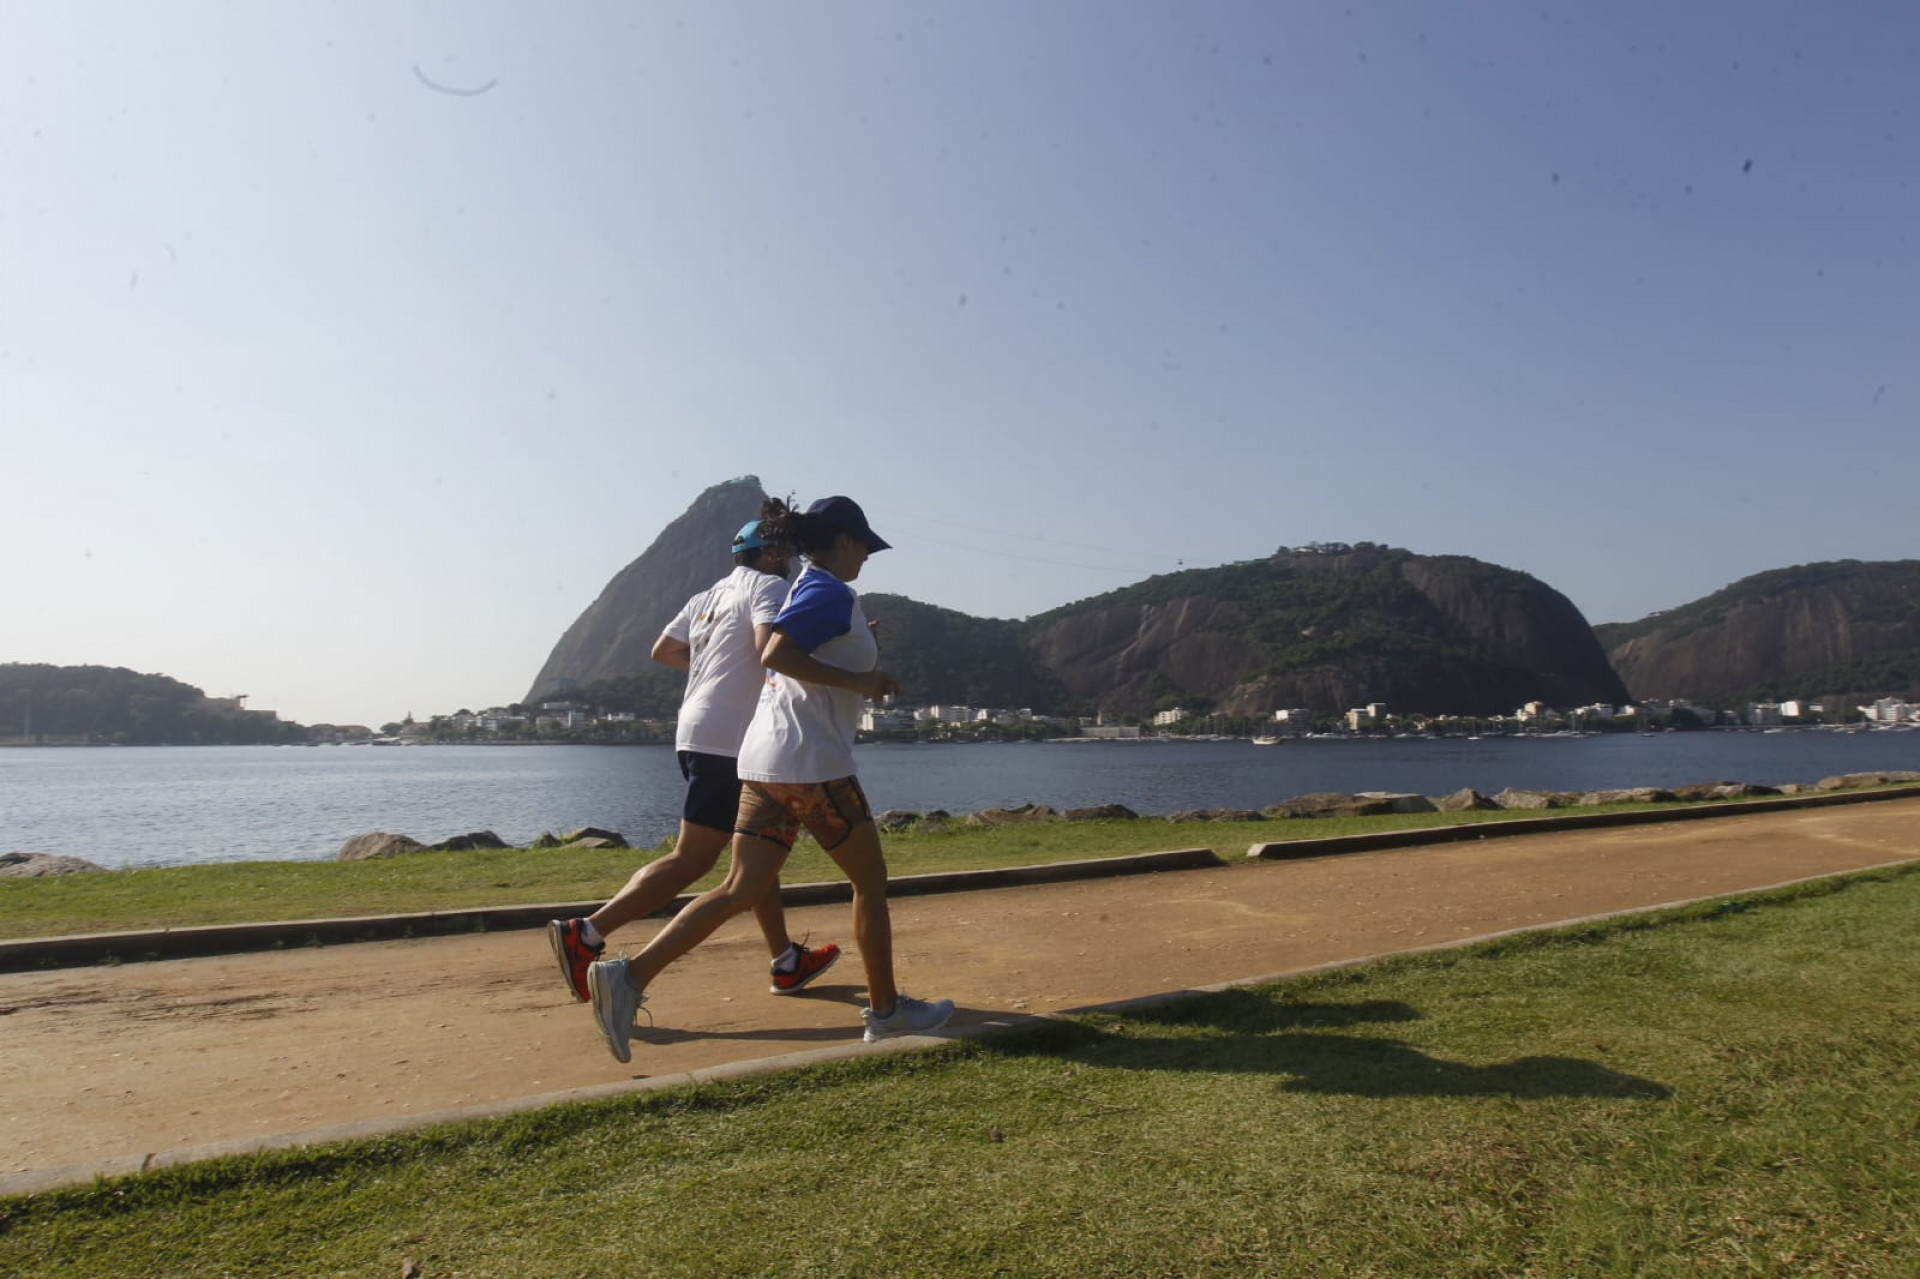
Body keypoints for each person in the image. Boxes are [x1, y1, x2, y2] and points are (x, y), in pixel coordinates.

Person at [585, 496, 952, 1063]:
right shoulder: (828, 589)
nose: (867, 559)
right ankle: (886, 1013)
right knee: (870, 882)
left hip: (761, 761)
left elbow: (791, 648)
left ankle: (627, 977)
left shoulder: (805, 588)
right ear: (847, 542)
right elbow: (777, 653)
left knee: (738, 888)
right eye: (865, 547)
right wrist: (866, 681)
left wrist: (854, 657)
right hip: (812, 763)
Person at [545, 510, 840, 1007]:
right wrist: (835, 657)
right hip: (729, 738)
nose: (790, 560)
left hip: (696, 731)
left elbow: (662, 649)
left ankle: (786, 960)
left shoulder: (706, 597)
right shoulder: (765, 588)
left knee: (757, 849)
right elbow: (771, 649)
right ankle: (587, 932)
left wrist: (709, 669)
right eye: (785, 552)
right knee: (694, 859)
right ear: (768, 554)